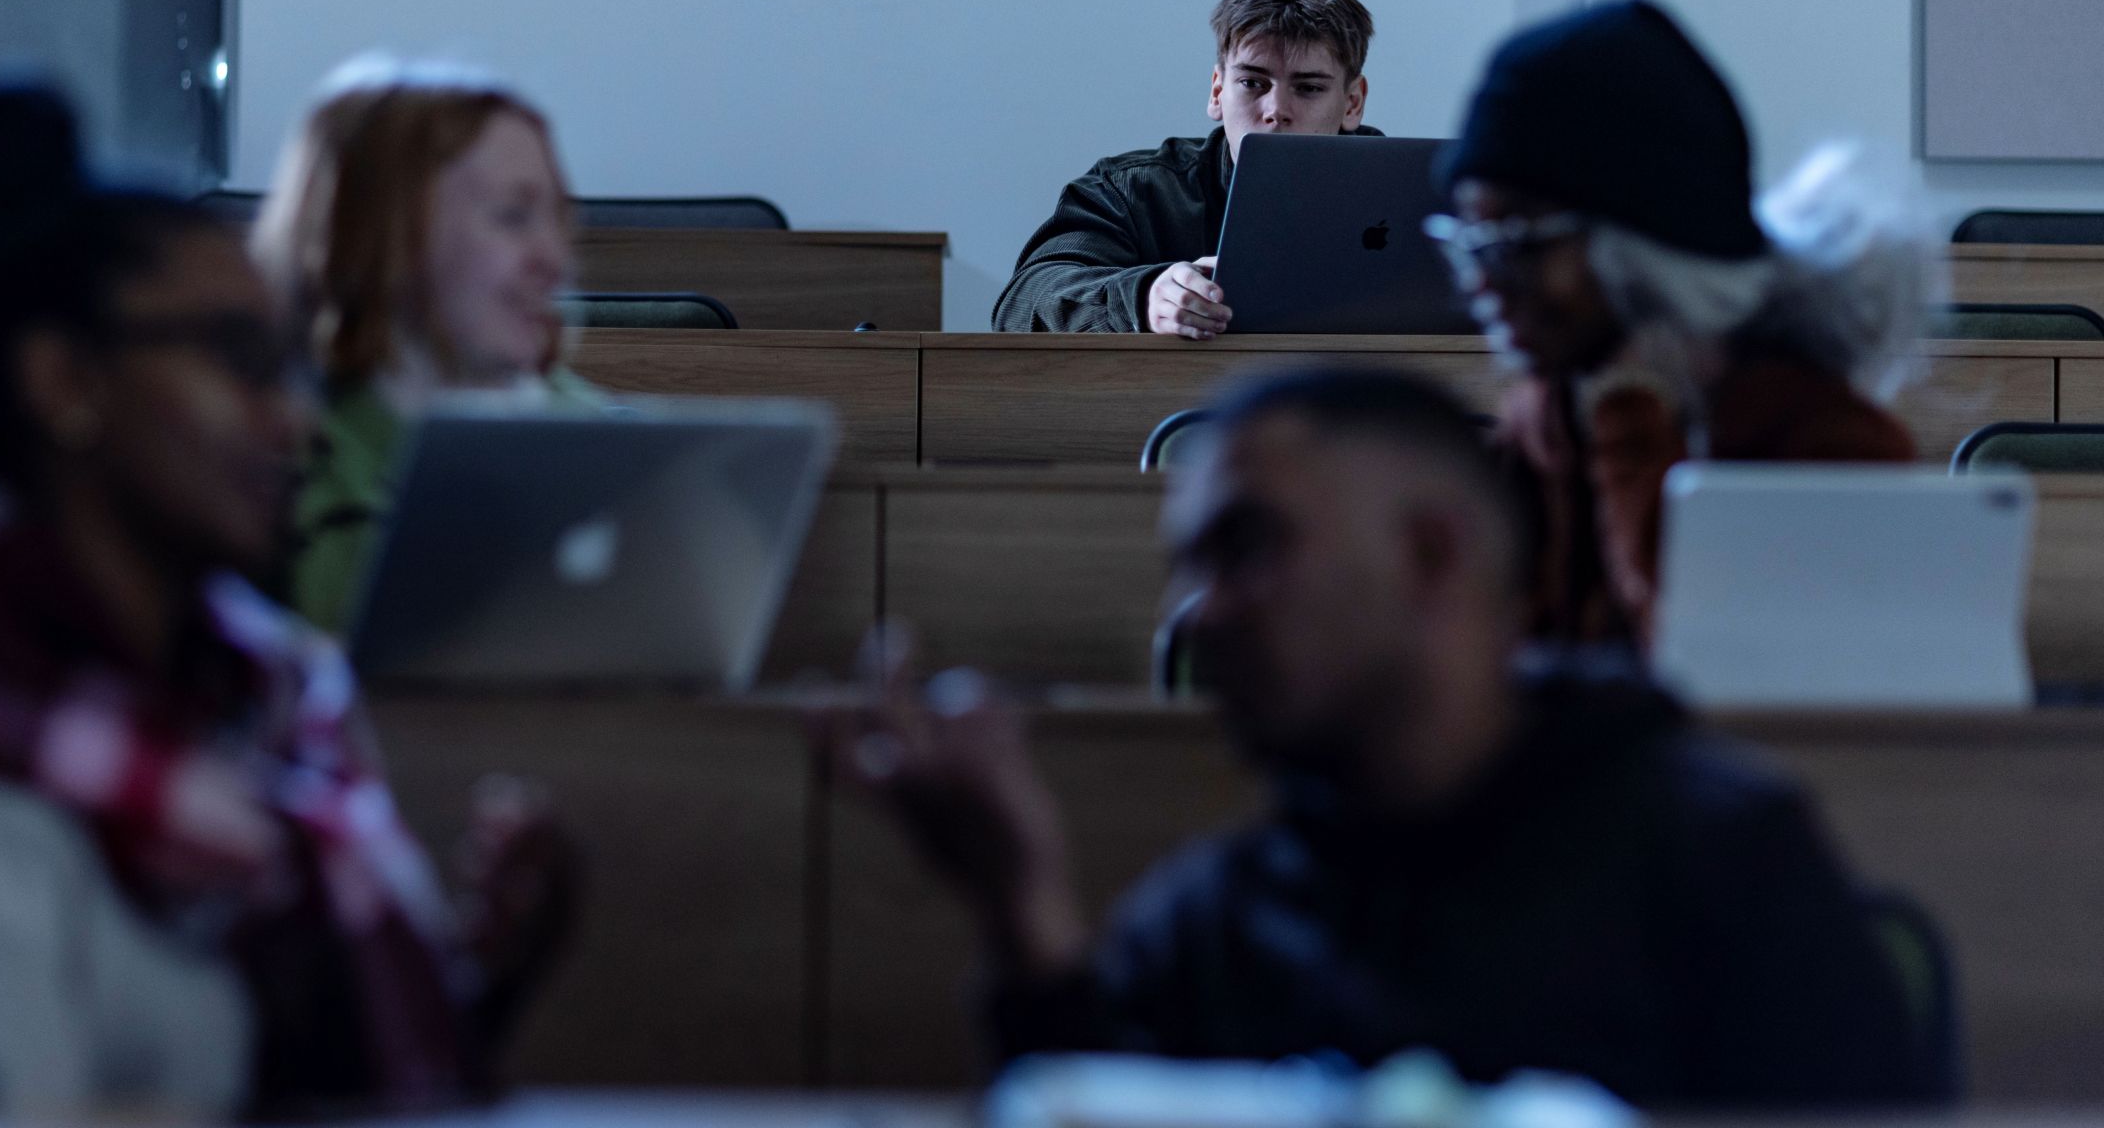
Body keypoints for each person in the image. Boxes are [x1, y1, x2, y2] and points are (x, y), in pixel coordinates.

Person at [0, 78, 577, 1118]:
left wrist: (466, 992)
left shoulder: (262, 686)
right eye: (239, 362)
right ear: (64, 383)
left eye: (288, 370)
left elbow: (268, 1068)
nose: (296, 423)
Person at [823, 369, 1942, 1110]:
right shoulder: (1216, 915)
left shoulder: (1722, 863)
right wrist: (1021, 912)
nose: (1196, 615)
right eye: (1187, 567)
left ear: (1433, 554)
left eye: (1246, 547)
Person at [1428, 0, 1929, 649]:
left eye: (1517, 240)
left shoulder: (1828, 444)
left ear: (1642, 251)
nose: (1479, 280)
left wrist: (1631, 427)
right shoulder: (1543, 418)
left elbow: (1732, 676)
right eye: (1470, 237)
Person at [250, 57, 605, 634]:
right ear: (382, 231)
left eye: (559, 221)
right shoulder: (269, 476)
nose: (555, 261)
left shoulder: (624, 445)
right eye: (513, 217)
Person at [992, 0, 1381, 337]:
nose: (1275, 110)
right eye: (1251, 82)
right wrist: (1143, 298)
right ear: (1217, 91)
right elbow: (1022, 304)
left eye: (1309, 88)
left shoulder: (1416, 193)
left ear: (1352, 103)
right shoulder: (1131, 190)